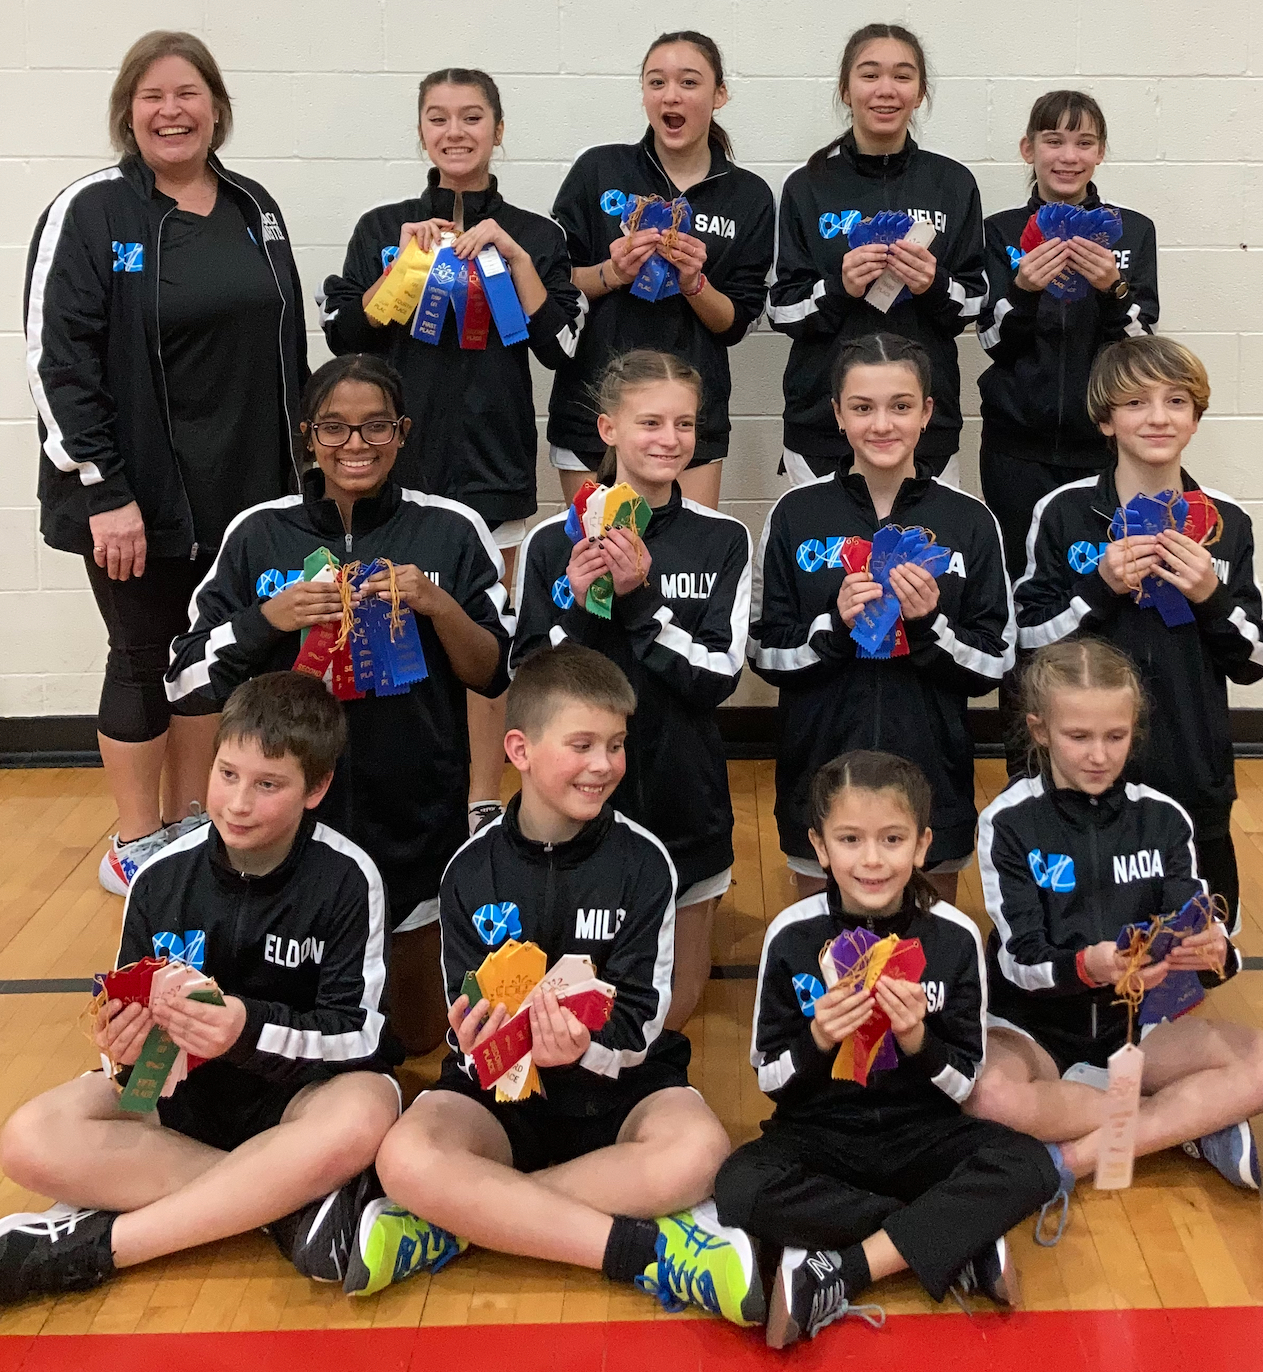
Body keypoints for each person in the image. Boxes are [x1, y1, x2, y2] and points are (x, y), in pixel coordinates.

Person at [357, 647, 763, 1324]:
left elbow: (642, 1024)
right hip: (501, 1102)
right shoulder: (468, 870)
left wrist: (582, 1050)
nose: (603, 764)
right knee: (404, 1156)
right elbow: (466, 1028)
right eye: (582, 745)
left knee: (700, 1151)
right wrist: (486, 1045)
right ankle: (639, 1248)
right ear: (519, 749)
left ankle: (462, 1221)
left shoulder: (645, 864)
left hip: (620, 1093)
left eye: (616, 745)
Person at [0, 673, 402, 1304]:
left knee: (368, 1109)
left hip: (295, 1103)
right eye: (227, 774)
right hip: (183, 1110)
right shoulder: (159, 877)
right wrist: (121, 1049)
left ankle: (98, 1247)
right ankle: (286, 1207)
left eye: (267, 785)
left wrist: (245, 1028)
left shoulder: (348, 877)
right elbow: (129, 1049)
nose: (237, 803)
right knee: (28, 1137)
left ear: (316, 789)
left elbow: (360, 1036)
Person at [24, 30, 308, 896]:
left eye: (188, 94)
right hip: (134, 498)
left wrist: (302, 481)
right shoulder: (92, 210)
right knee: (143, 656)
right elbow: (56, 360)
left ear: (216, 108)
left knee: (214, 660)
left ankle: (192, 826)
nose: (171, 110)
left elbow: (286, 348)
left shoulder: (255, 205)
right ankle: (135, 841)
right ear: (128, 111)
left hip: (247, 488)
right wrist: (104, 489)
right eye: (153, 96)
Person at [164, 355, 511, 1057]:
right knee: (303, 1030)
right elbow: (185, 678)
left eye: (376, 426)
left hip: (415, 817)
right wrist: (268, 618)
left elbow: (494, 669)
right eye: (335, 427)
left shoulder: (451, 529)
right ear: (308, 435)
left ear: (402, 432)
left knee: (417, 1037)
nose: (356, 445)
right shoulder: (258, 533)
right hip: (287, 829)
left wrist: (438, 605)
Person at [714, 750, 1062, 1347]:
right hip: (820, 1133)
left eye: (892, 839)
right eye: (850, 839)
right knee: (738, 1184)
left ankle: (844, 1267)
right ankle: (955, 1236)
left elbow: (965, 1080)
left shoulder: (953, 937)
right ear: (820, 847)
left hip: (922, 1131)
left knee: (1031, 1165)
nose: (871, 860)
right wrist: (818, 1039)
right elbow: (769, 1078)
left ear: (922, 846)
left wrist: (918, 1041)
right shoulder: (790, 936)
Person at [318, 67, 583, 836]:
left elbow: (563, 348)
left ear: (498, 130)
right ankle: (393, 786)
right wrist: (401, 272)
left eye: (472, 117)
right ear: (421, 132)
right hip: (392, 469)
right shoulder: (383, 227)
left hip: (494, 466)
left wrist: (518, 261)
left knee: (483, 638)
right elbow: (345, 339)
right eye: (438, 117)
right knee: (383, 623)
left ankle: (481, 797)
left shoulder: (536, 233)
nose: (455, 131)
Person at [967, 640, 1263, 1195]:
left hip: (1141, 1032)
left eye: (1115, 737)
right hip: (1035, 1031)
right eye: (1079, 737)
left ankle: (1072, 1156)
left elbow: (1194, 931)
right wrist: (1089, 965)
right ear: (1040, 730)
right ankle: (1187, 1122)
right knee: (985, 1095)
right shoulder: (1007, 822)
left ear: (1134, 731)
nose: (1099, 755)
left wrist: (1216, 953)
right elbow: (1020, 960)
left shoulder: (1165, 819)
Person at [512, 351, 750, 1028]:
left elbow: (718, 677)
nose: (669, 439)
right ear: (608, 428)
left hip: (685, 801)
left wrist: (641, 601)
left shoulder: (722, 538)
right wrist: (580, 605)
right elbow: (528, 679)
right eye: (650, 422)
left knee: (673, 1011)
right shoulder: (550, 543)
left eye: (684, 424)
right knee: (573, 1004)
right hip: (574, 810)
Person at [1012, 336, 1263, 918]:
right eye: (1136, 402)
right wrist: (1098, 590)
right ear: (1106, 421)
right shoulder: (1063, 512)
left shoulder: (1228, 521)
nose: (1158, 417)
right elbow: (1026, 641)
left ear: (1195, 419)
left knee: (1203, 937)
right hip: (1085, 770)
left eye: (1176, 401)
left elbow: (1257, 659)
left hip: (1194, 769)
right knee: (1083, 928)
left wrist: (1210, 598)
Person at [749, 334, 1012, 906]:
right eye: (863, 407)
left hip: (932, 776)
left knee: (929, 943)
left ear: (927, 413)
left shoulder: (969, 520)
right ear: (838, 415)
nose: (882, 424)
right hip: (819, 771)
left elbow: (995, 661)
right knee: (820, 945)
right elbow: (764, 651)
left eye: (901, 405)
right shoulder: (796, 514)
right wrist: (834, 628)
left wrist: (928, 627)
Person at [548, 30, 774, 511]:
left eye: (689, 82)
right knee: (596, 554)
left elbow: (736, 322)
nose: (671, 95)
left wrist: (695, 283)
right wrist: (612, 272)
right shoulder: (599, 170)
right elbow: (554, 285)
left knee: (684, 554)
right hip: (594, 409)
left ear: (719, 95)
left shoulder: (748, 195)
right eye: (657, 82)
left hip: (690, 421)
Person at [766, 24, 985, 487]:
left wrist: (933, 285)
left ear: (920, 93)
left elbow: (974, 305)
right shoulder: (807, 186)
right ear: (846, 89)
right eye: (870, 75)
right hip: (823, 427)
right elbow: (782, 310)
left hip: (925, 429)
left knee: (924, 538)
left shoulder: (953, 184)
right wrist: (839, 288)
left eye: (902, 76)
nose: (886, 90)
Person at [977, 90, 1159, 575]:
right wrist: (1022, 291)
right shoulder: (1000, 232)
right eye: (1053, 141)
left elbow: (1141, 348)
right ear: (1028, 149)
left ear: (1100, 153)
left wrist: (1113, 288)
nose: (1068, 156)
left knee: (1104, 574)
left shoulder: (1132, 232)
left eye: (1084, 143)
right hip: (1015, 448)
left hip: (1104, 445)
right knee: (1020, 572)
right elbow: (992, 342)